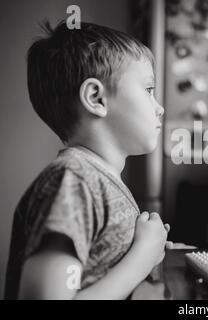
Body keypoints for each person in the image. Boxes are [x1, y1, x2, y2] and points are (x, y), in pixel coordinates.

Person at [5, 21, 171, 300]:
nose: (161, 107)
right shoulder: (73, 179)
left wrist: (148, 252)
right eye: (148, 89)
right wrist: (142, 256)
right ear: (96, 98)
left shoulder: (97, 181)